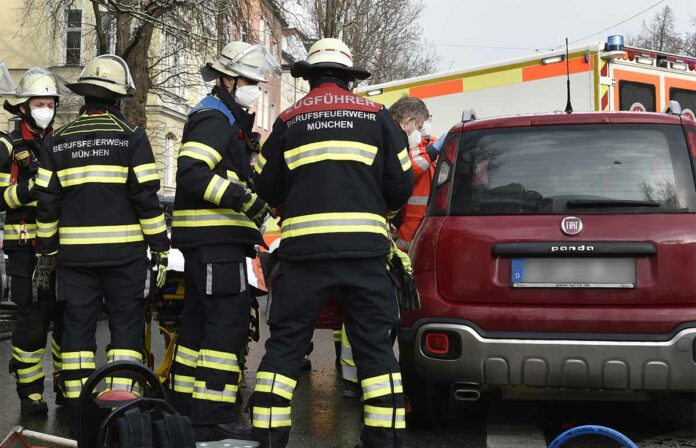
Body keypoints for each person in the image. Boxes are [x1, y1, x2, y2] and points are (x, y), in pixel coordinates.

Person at [252, 37, 414, 448]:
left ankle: (268, 438)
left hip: (303, 257)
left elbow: (265, 185)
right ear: (350, 79)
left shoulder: (288, 120)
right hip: (365, 256)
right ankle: (383, 440)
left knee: (285, 351)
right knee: (376, 354)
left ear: (309, 79)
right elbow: (401, 185)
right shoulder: (379, 118)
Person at [33, 54, 169, 410]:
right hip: (125, 258)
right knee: (125, 330)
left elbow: (47, 206)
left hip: (74, 260)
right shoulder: (132, 138)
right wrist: (160, 247)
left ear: (86, 96)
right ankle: (121, 403)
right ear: (117, 98)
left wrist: (47, 254)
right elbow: (146, 199)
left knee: (77, 331)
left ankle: (80, 407)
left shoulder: (57, 142)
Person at [169, 41, 279, 442]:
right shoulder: (213, 117)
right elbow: (193, 173)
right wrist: (244, 199)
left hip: (210, 242)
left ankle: (184, 407)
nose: (254, 88)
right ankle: (213, 416)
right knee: (226, 325)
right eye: (249, 81)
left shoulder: (225, 117)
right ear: (228, 79)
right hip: (216, 241)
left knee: (198, 326)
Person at [1, 67, 65, 415]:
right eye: (40, 103)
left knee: (67, 318)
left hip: (59, 248)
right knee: (32, 323)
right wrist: (33, 189)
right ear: (24, 108)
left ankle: (67, 389)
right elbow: (1, 196)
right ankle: (30, 395)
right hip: (25, 250)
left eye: (50, 103)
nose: (46, 109)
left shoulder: (58, 142)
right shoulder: (7, 146)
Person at [388, 96, 438, 252]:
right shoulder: (394, 148)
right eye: (420, 126)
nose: (423, 130)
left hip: (424, 231)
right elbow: (409, 171)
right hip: (408, 237)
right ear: (408, 123)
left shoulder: (429, 146)